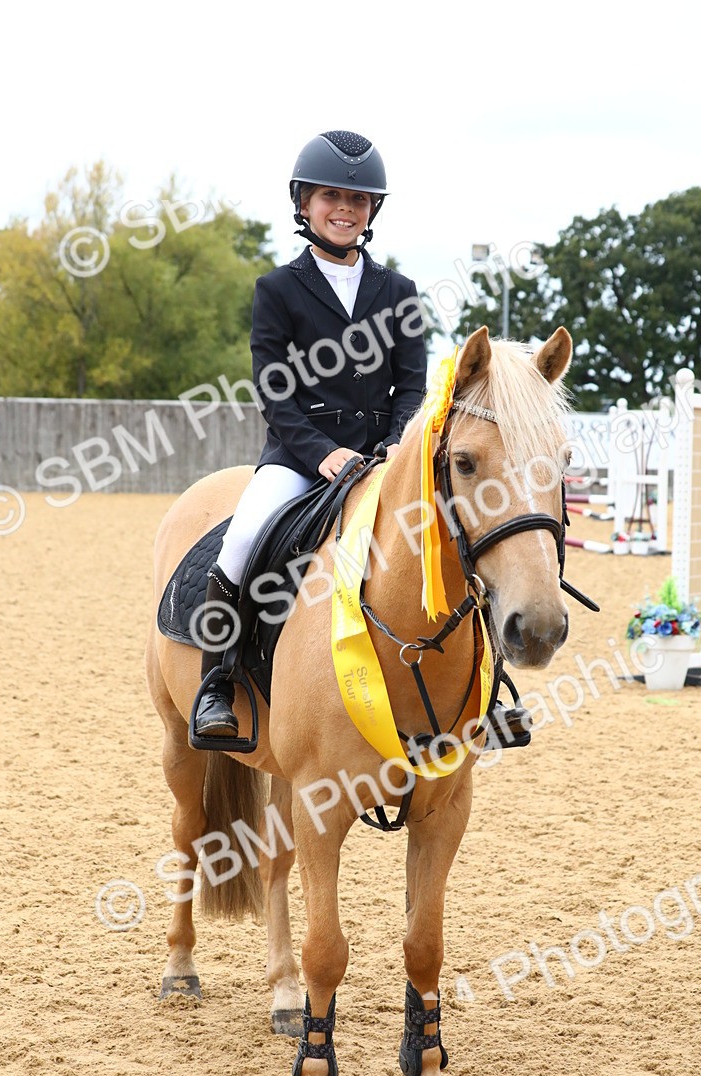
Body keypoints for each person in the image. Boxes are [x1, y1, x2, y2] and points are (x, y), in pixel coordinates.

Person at [194, 130, 428, 737]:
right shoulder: (277, 290)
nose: (345, 208)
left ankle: (488, 687)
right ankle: (217, 681)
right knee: (243, 539)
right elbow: (276, 390)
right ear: (303, 202)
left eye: (358, 198)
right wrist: (323, 456)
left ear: (373, 209)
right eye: (331, 196)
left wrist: (397, 447)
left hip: (386, 460)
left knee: (457, 537)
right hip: (301, 458)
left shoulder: (400, 294)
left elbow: (411, 387)